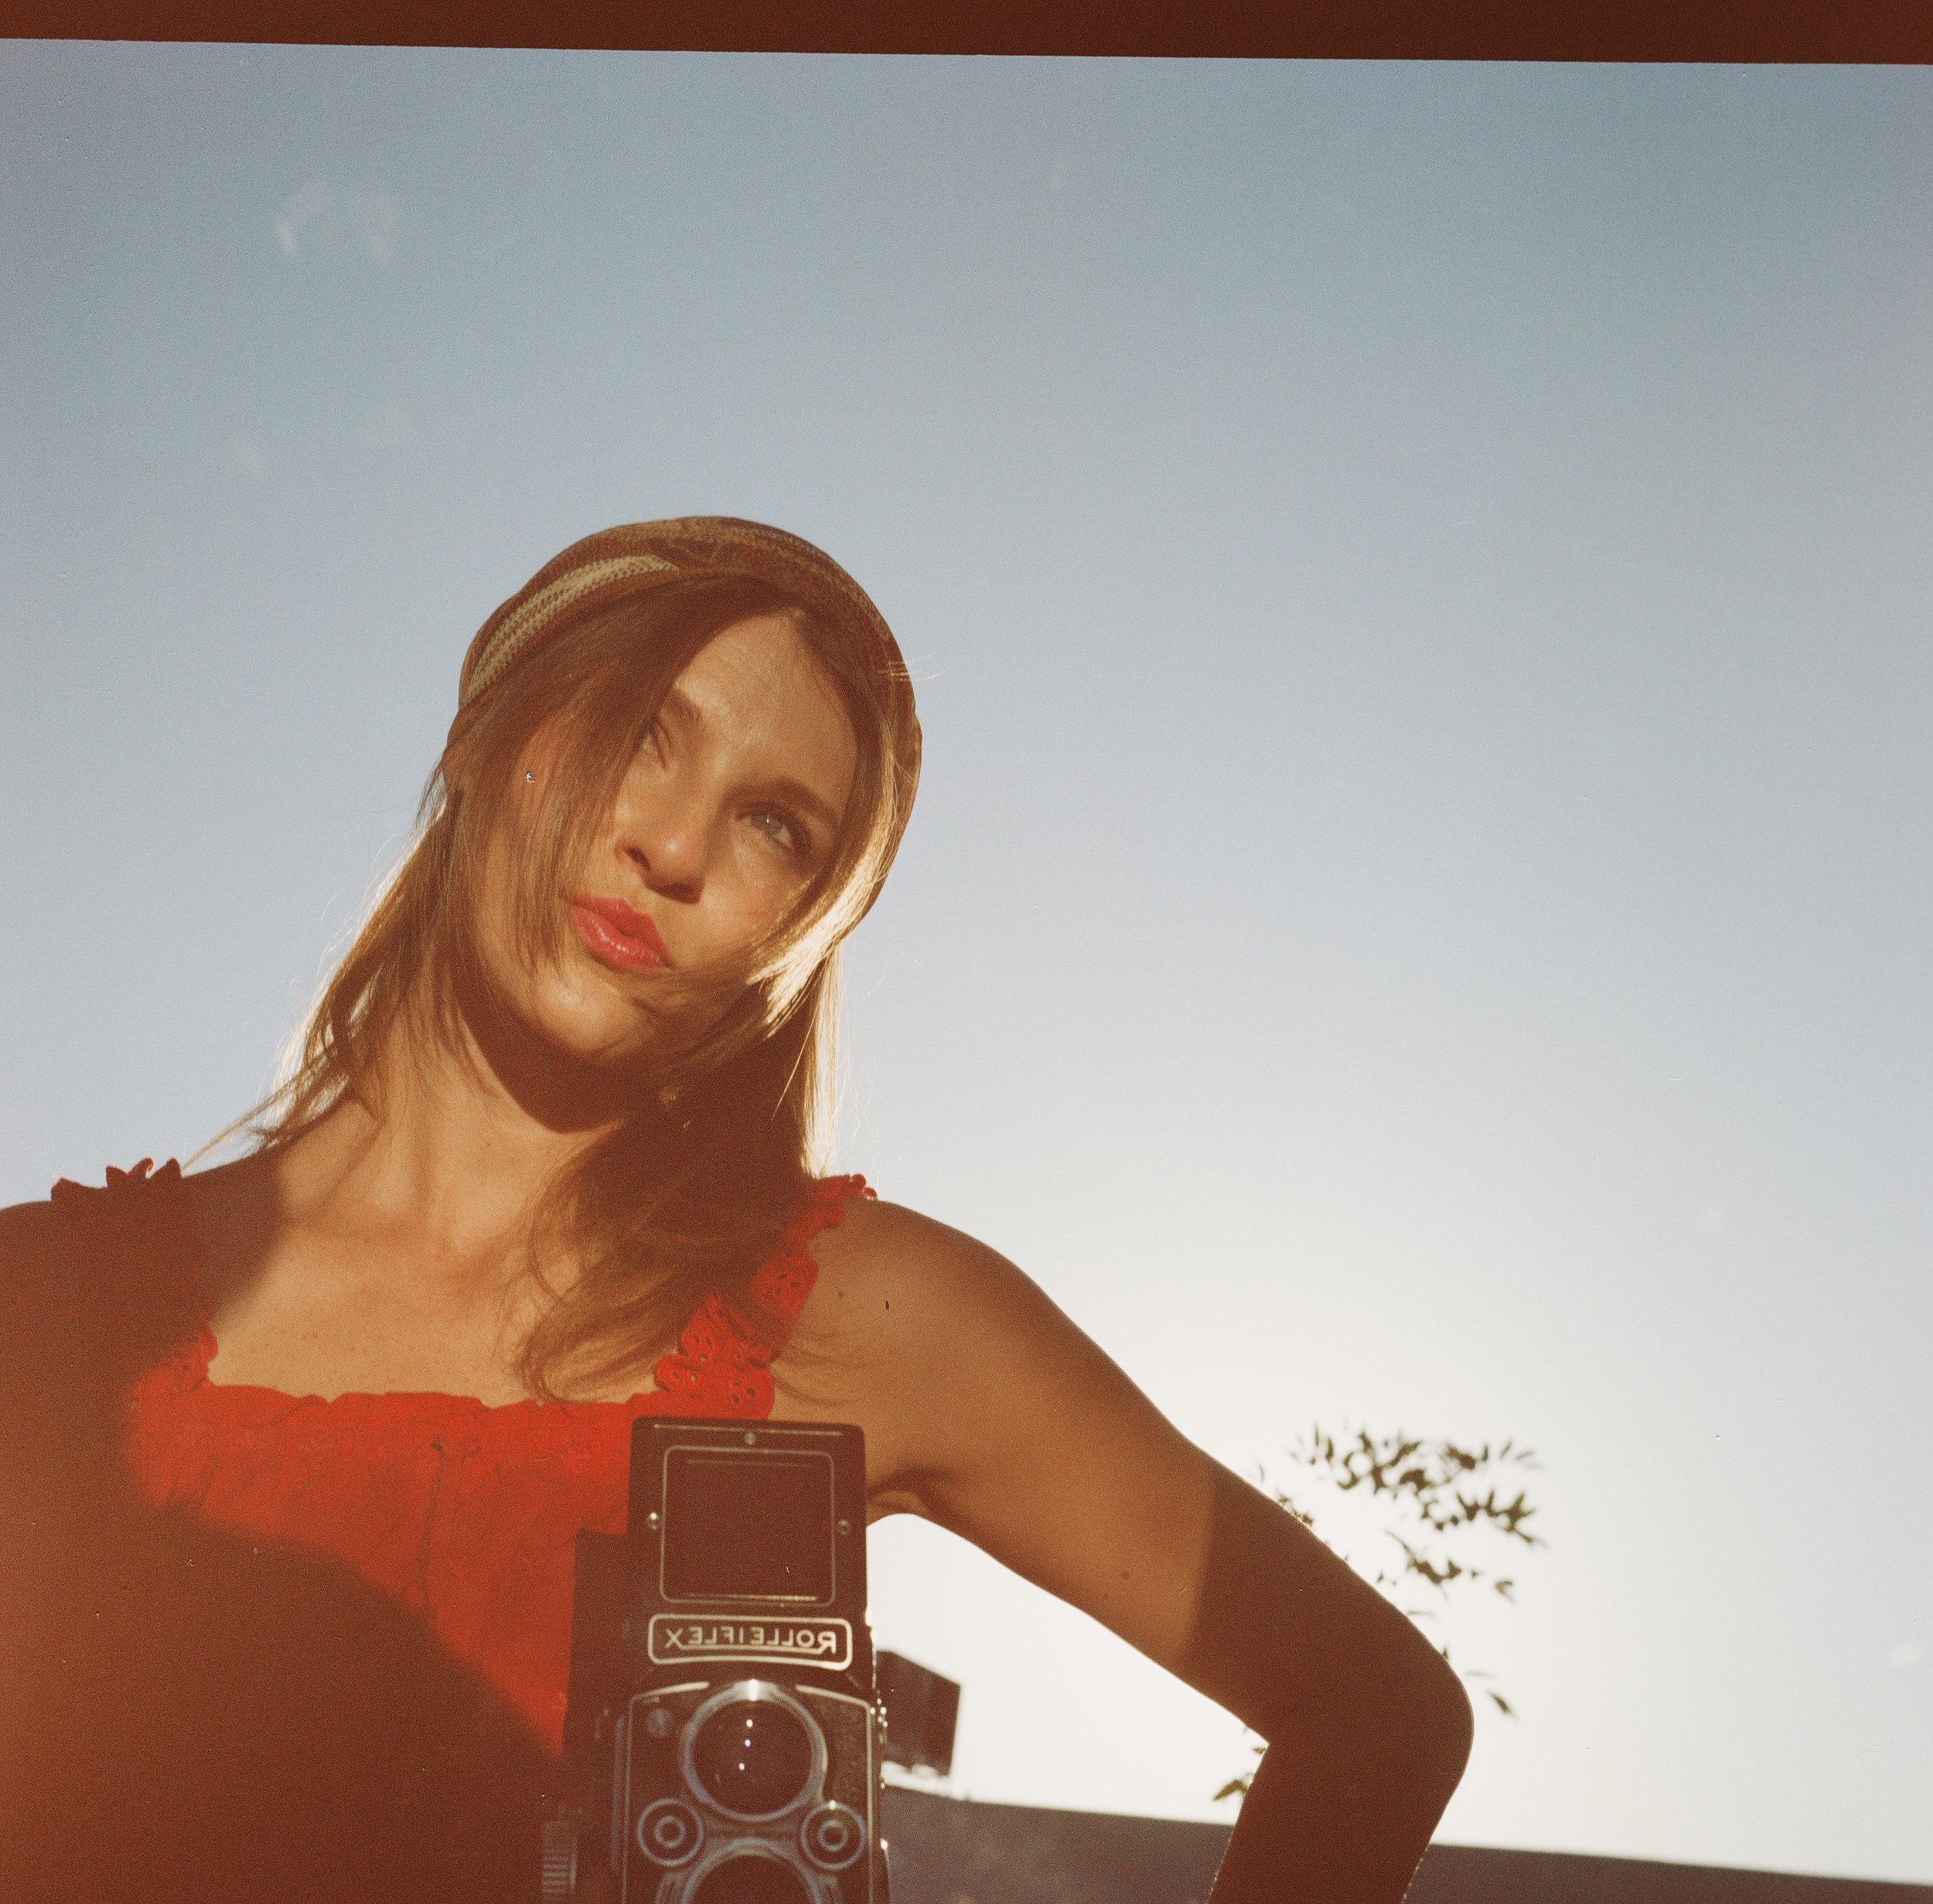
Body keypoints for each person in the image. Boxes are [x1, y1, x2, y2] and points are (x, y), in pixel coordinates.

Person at [0, 519, 1471, 1903]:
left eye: (773, 827)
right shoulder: (43, 1300)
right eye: (645, 730)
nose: (677, 851)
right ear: (485, 729)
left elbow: (1379, 1706)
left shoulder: (866, 1318)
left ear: (803, 933)